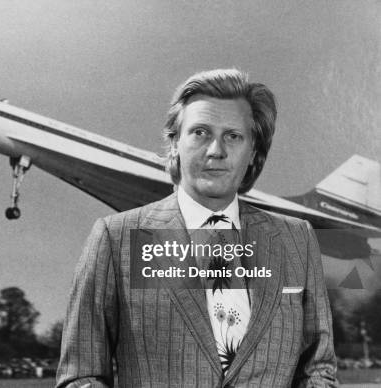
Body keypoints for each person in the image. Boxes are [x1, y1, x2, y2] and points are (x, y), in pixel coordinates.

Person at [56, 69, 337, 387]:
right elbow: (80, 376)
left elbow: (318, 368)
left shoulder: (296, 238)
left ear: (254, 152)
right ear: (174, 142)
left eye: (233, 136)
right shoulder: (115, 238)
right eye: (200, 132)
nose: (216, 150)